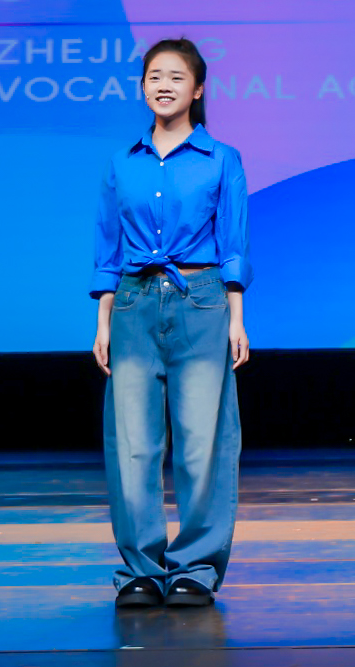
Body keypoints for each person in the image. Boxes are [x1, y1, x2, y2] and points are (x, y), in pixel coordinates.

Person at [89, 37, 250, 609]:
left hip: (201, 300)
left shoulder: (221, 159)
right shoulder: (122, 162)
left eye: (176, 77)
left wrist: (237, 318)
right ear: (142, 87)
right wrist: (103, 321)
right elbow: (108, 248)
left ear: (198, 89)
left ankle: (195, 567)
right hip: (133, 303)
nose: (164, 85)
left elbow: (233, 243)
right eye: (154, 76)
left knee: (203, 443)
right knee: (133, 444)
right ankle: (140, 569)